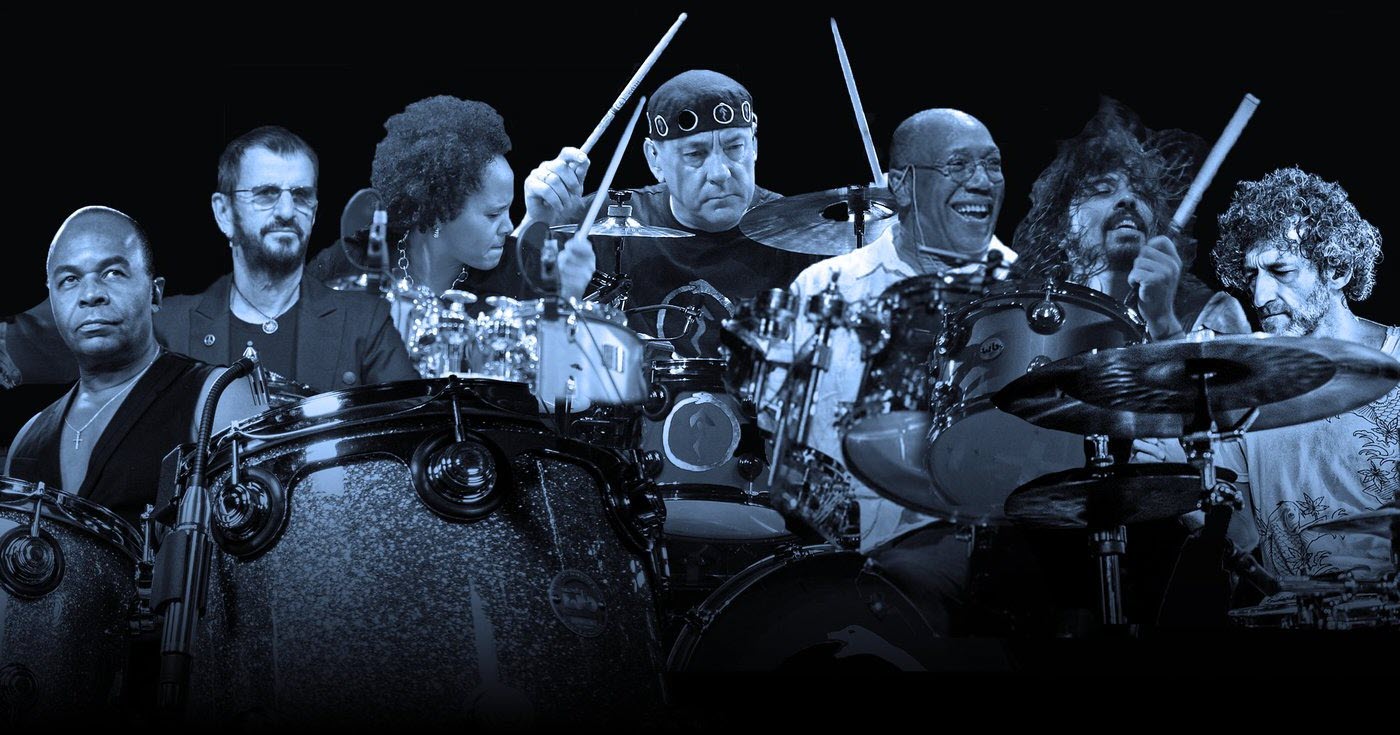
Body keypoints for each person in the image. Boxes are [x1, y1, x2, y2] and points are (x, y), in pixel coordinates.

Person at [778, 109, 1013, 632]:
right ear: (901, 186)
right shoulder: (823, 290)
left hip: (1001, 541)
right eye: (959, 165)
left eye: (993, 165)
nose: (982, 181)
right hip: (854, 557)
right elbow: (783, 443)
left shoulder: (1029, 294)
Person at [2, 126, 418, 394]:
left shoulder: (365, 321)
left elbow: (411, 435)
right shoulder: (165, 324)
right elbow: (47, 335)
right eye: (266, 194)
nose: (287, 211)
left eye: (301, 195)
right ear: (223, 212)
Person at [515, 69, 819, 357]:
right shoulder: (599, 222)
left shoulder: (803, 234)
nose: (720, 172)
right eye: (695, 154)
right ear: (654, 159)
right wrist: (536, 221)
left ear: (754, 146)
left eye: (734, 147)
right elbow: (507, 316)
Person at [5, 207, 260, 526]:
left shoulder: (218, 396)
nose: (90, 295)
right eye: (69, 280)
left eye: (112, 273)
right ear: (52, 300)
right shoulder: (26, 440)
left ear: (155, 293)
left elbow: (261, 545)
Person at [308, 96, 597, 373]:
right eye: (493, 214)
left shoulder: (519, 274)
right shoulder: (349, 262)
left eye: (509, 210)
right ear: (438, 210)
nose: (509, 226)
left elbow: (560, 384)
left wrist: (568, 297)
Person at [1212, 166, 1396, 577]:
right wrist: (1181, 490)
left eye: (1281, 271)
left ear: (1337, 270)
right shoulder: (1245, 387)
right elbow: (1242, 537)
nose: (1259, 296)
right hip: (1291, 610)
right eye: (1251, 275)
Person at [1012, 97, 1250, 340]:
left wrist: (1163, 322)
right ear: (1060, 228)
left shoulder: (1209, 313)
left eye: (1142, 192)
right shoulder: (1026, 321)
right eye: (1102, 189)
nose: (1128, 198)